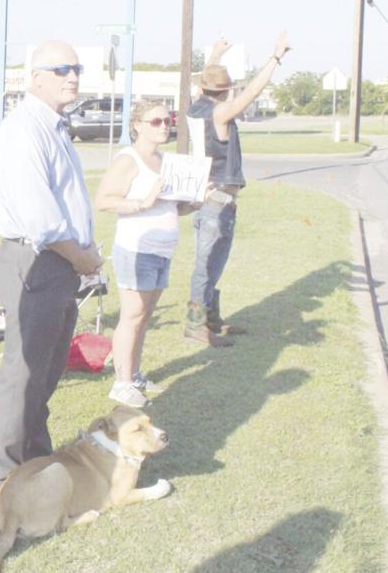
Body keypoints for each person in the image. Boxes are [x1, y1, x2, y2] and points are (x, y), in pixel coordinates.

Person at [0, 40, 103, 497]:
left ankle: (35, 458)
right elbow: (42, 220)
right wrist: (82, 257)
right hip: (36, 261)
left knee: (48, 369)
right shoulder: (24, 130)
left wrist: (82, 257)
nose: (73, 76)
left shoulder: (52, 127)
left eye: (76, 67)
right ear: (35, 77)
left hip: (59, 264)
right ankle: (2, 478)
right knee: (25, 372)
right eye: (61, 68)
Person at [184, 32, 292, 346]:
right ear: (223, 92)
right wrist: (275, 58)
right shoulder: (220, 112)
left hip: (208, 196)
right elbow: (253, 92)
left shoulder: (197, 108)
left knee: (212, 262)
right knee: (208, 263)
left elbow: (208, 82)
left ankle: (209, 317)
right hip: (217, 198)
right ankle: (196, 324)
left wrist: (215, 55)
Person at [95, 100, 196, 407]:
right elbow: (103, 200)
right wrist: (141, 203)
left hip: (163, 249)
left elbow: (173, 206)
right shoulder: (129, 160)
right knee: (132, 315)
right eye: (156, 121)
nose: (164, 126)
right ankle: (121, 383)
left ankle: (134, 374)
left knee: (145, 316)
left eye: (168, 120)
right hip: (136, 248)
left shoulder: (165, 160)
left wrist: (195, 202)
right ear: (137, 125)